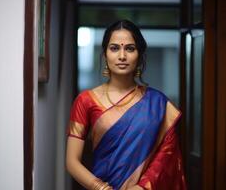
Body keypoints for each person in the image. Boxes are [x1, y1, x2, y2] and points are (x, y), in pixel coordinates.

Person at [65, 19, 187, 190]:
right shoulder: (86, 100)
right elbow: (71, 161)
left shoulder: (158, 104)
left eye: (130, 48)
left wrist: (142, 187)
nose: (122, 56)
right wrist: (101, 188)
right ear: (105, 54)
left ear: (139, 55)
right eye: (114, 48)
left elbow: (166, 155)